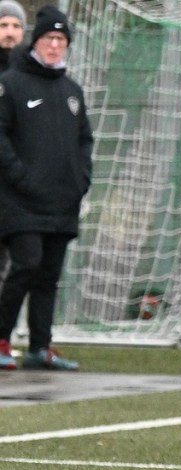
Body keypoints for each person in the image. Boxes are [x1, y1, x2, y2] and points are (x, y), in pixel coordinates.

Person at [0, 5, 91, 371]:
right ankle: (2, 339)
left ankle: (40, 347)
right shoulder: (11, 84)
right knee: (26, 263)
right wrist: (21, 177)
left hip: (62, 201)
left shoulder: (72, 90)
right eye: (49, 38)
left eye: (61, 39)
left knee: (48, 276)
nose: (55, 45)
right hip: (20, 201)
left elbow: (84, 141)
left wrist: (81, 180)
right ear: (35, 41)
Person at [0, 1, 25, 300]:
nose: (10, 32)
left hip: (19, 184)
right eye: (4, 25)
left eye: (16, 26)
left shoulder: (31, 72)